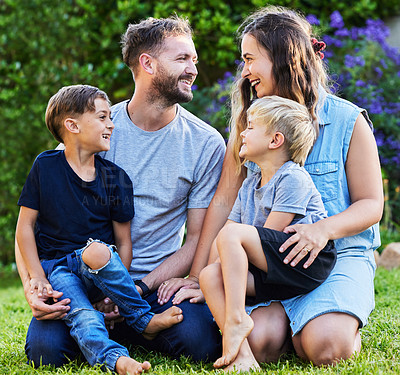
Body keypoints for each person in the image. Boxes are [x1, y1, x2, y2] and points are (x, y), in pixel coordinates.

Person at [158, 5, 383, 371]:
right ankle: (289, 324)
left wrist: (321, 230)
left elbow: (372, 204)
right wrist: (199, 276)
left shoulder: (347, 121)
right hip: (270, 265)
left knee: (325, 346)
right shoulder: (251, 127)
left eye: (250, 59)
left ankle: (327, 319)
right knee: (260, 345)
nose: (244, 71)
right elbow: (223, 204)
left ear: (281, 58)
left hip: (336, 258)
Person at [15, 16, 225, 367]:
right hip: (83, 280)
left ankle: (131, 325)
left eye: (195, 61)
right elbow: (30, 225)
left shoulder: (205, 143)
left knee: (200, 341)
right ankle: (106, 328)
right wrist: (32, 284)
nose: (193, 70)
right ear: (148, 63)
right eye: (183, 59)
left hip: (154, 288)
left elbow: (196, 239)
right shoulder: (92, 129)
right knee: (45, 352)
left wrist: (136, 290)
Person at [16, 84, 184, 375]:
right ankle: (117, 360)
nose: (111, 124)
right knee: (81, 317)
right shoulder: (45, 167)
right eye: (103, 117)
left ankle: (142, 320)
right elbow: (24, 229)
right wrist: (37, 278)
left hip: (98, 268)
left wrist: (112, 293)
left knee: (98, 251)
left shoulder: (116, 179)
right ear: (72, 125)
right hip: (56, 271)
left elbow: (124, 242)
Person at [200, 96, 337, 369]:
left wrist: (230, 261)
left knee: (231, 239)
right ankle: (242, 356)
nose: (242, 133)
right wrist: (220, 268)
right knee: (209, 275)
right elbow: (227, 236)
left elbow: (265, 237)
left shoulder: (292, 177)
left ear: (275, 140)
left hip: (305, 261)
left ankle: (236, 319)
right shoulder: (250, 184)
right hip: (274, 267)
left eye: (251, 127)